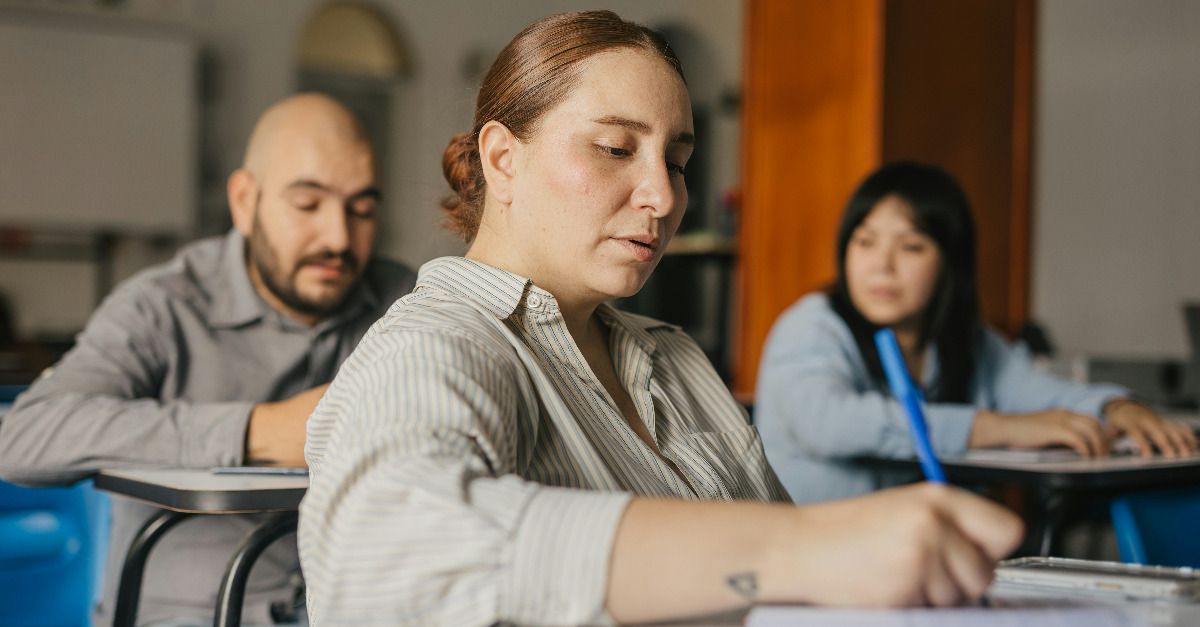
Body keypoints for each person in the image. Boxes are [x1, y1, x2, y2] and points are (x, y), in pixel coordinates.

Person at [298, 12, 1023, 626]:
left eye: (677, 162)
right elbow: (386, 555)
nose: (664, 196)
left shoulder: (671, 356)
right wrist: (793, 545)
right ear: (502, 158)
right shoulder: (438, 342)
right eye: (615, 148)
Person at [0, 93, 417, 625]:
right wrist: (258, 431)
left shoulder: (404, 299)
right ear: (245, 201)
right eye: (308, 205)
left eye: (362, 209)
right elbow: (24, 438)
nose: (338, 237)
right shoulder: (161, 305)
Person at [755, 161, 1199, 504]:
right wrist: (996, 428)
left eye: (911, 246)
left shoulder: (964, 338)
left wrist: (1115, 406)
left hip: (922, 564)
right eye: (865, 241)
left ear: (951, 261)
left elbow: (1042, 394)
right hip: (822, 569)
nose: (881, 266)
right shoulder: (812, 326)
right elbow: (831, 423)